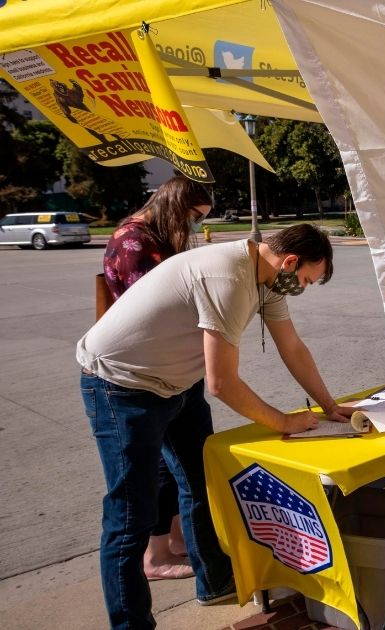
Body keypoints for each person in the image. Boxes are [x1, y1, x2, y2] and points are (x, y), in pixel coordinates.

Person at [78, 224, 357, 629]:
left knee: (200, 481)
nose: (303, 288)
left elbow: (292, 345)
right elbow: (222, 383)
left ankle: (213, 583)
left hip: (176, 383)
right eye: (306, 280)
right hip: (121, 386)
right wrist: (284, 422)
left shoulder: (268, 278)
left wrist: (329, 406)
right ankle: (131, 624)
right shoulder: (228, 276)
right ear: (290, 261)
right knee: (130, 516)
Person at [102, 175, 212, 582]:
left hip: (174, 365)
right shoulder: (133, 241)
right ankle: (155, 554)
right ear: (175, 206)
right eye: (195, 218)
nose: (196, 226)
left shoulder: (158, 237)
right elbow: (159, 306)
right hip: (149, 371)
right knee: (161, 471)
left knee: (188, 464)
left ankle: (182, 540)